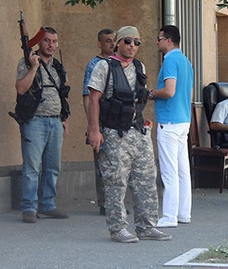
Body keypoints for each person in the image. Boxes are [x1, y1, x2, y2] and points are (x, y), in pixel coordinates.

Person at [87, 26, 171, 243]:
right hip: (114, 133)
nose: (132, 46)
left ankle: (147, 226)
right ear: (118, 43)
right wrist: (94, 130)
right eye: (127, 41)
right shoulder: (103, 66)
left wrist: (142, 120)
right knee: (116, 181)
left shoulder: (139, 66)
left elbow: (139, 97)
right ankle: (118, 229)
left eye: (136, 42)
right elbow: (94, 99)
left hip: (138, 132)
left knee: (146, 179)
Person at [15, 27, 71, 223]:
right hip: (35, 121)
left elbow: (62, 93)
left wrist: (64, 119)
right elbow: (21, 89)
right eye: (47, 41)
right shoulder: (27, 62)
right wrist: (33, 68)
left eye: (54, 41)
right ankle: (29, 207)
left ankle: (47, 205)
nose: (51, 45)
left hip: (55, 120)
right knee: (31, 167)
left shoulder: (57, 66)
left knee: (52, 167)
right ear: (40, 42)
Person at [152, 25, 194, 228]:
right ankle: (183, 213)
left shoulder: (169, 60)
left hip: (168, 120)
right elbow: (188, 93)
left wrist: (151, 92)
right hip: (183, 119)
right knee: (182, 170)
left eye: (159, 38)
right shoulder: (186, 61)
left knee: (169, 171)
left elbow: (169, 91)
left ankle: (169, 216)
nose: (157, 42)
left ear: (168, 40)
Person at [82, 28, 115, 216]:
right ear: (99, 44)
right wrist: (91, 125)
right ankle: (104, 203)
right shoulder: (94, 64)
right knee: (102, 164)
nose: (111, 44)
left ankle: (115, 200)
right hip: (100, 121)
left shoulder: (118, 63)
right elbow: (88, 96)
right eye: (108, 41)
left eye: (113, 40)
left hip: (116, 122)